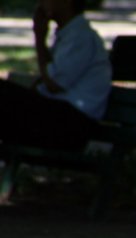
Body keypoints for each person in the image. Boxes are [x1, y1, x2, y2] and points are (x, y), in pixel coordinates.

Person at [0, 0, 111, 151]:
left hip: (73, 126)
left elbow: (54, 84)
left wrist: (39, 37)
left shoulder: (81, 37)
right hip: (60, 118)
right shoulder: (70, 34)